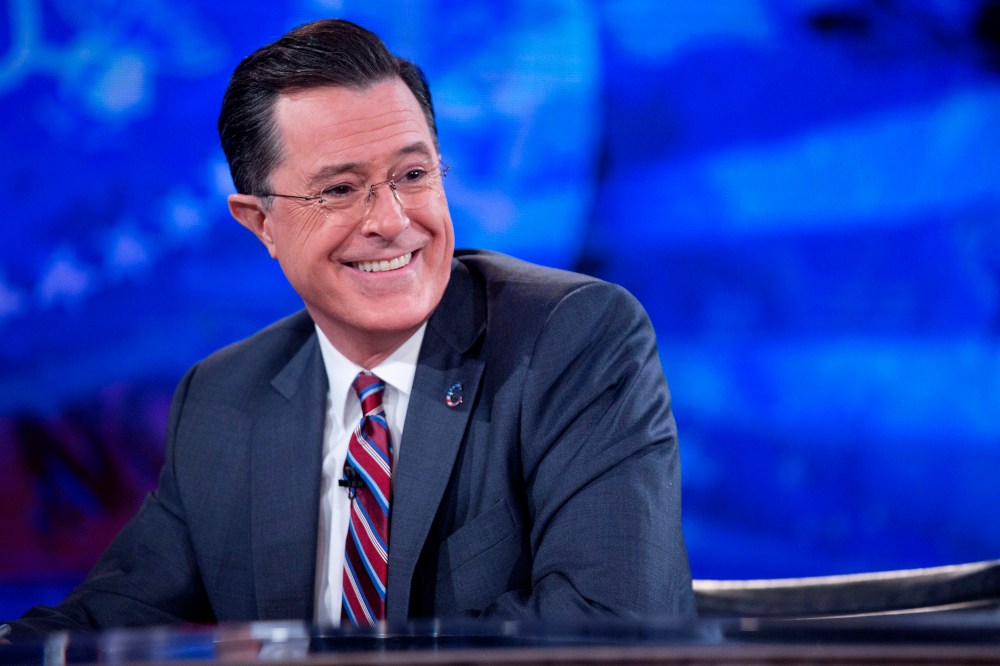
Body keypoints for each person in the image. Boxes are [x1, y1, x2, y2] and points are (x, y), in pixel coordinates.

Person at [4, 18, 693, 639]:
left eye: (413, 174)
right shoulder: (223, 398)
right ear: (260, 222)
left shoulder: (570, 341)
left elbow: (614, 625)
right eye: (339, 189)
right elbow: (105, 620)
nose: (392, 220)